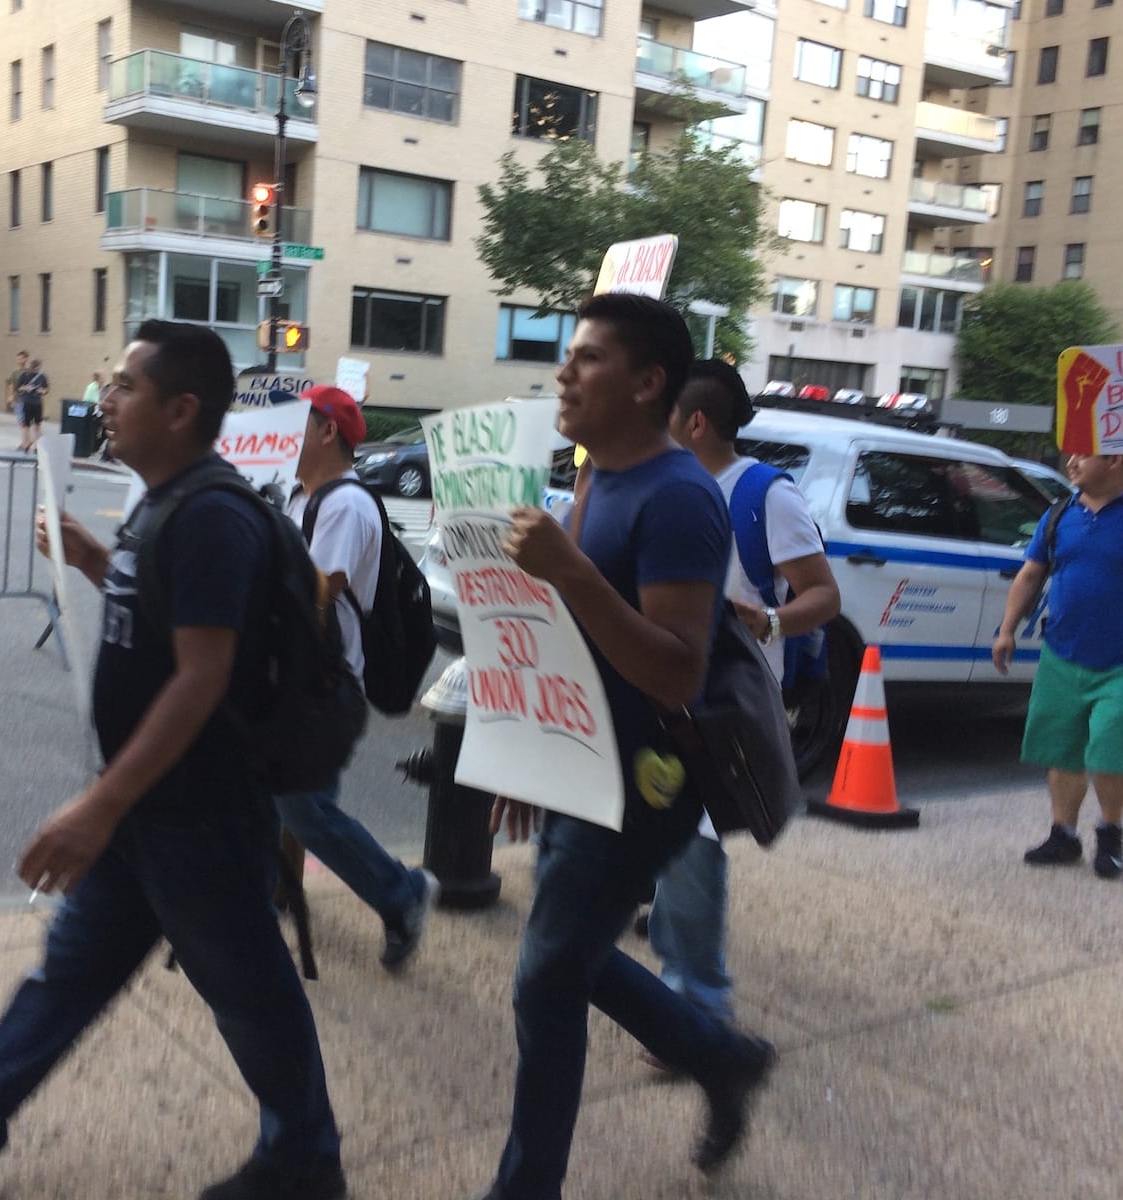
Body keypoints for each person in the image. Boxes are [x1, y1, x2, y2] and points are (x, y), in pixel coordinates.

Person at [0, 320, 347, 1200]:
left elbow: (201, 676)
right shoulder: (163, 499)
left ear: (181, 410)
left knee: (251, 994)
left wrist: (100, 804)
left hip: (198, 814)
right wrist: (93, 558)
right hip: (152, 812)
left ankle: (304, 1156)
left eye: (127, 386)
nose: (105, 397)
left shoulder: (214, 514)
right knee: (67, 976)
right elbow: (169, 617)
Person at [471, 294, 777, 1200]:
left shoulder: (680, 498)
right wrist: (531, 751)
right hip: (581, 760)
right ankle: (722, 1058)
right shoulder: (598, 477)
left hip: (647, 779)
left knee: (546, 977)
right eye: (568, 356)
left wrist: (569, 568)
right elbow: (567, 633)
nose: (564, 372)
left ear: (648, 384)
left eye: (589, 358)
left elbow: (677, 672)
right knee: (571, 957)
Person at [644, 359, 839, 1042]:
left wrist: (772, 621)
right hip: (666, 687)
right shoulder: (663, 487)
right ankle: (673, 942)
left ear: (694, 422)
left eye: (663, 410)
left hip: (726, 697)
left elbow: (824, 595)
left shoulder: (764, 495)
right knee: (667, 825)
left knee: (693, 837)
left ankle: (700, 1003)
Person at [277, 384, 439, 968]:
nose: (287, 433)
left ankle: (402, 891)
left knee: (306, 808)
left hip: (322, 683)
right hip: (296, 677)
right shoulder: (300, 497)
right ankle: (272, 893)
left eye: (301, 423)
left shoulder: (344, 504)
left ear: (327, 433)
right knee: (279, 795)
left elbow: (321, 589)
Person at [992, 452, 1123, 879]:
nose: (1072, 462)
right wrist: (1007, 628)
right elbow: (1032, 573)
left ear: (1116, 461)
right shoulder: (1060, 513)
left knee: (1112, 750)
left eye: (1084, 455)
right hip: (1063, 654)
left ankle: (1110, 833)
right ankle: (1063, 835)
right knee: (1061, 751)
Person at [16, 358, 48, 453]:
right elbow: (19, 388)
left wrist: (41, 391)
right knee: (30, 425)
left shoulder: (42, 377)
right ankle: (31, 445)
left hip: (34, 402)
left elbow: (46, 390)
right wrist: (26, 388)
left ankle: (32, 445)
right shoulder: (25, 375)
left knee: (31, 425)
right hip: (30, 402)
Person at [5, 349, 29, 415]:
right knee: (20, 419)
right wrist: (10, 396)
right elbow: (11, 385)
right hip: (19, 400)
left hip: (30, 400)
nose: (18, 361)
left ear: (26, 359)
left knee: (27, 420)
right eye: (17, 359)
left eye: (20, 359)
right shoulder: (15, 372)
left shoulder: (31, 371)